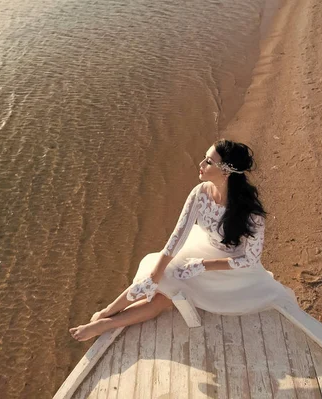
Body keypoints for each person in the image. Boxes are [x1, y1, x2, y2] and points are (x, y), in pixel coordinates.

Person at [70, 139, 297, 341]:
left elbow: (250, 259)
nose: (201, 164)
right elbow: (178, 236)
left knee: (165, 297)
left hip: (231, 269)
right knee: (159, 278)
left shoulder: (252, 215)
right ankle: (106, 312)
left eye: (208, 161)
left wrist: (202, 266)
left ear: (225, 172)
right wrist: (156, 272)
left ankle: (106, 324)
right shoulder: (200, 193)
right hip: (203, 248)